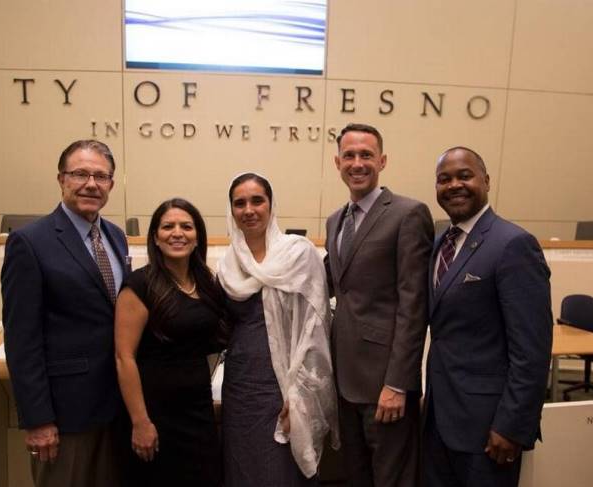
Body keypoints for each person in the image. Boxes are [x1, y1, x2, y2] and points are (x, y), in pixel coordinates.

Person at [1, 139, 130, 487]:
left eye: (101, 176)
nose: (91, 183)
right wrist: (38, 419)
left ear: (111, 185)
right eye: (80, 174)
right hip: (63, 416)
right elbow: (21, 340)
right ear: (61, 179)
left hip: (115, 409)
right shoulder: (29, 242)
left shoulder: (116, 237)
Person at [424, 146, 552, 487]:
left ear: (486, 181)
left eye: (464, 176)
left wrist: (512, 425)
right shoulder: (440, 243)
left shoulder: (513, 244)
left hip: (488, 427)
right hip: (439, 419)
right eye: (444, 179)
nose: (454, 185)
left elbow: (532, 350)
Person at [325, 123, 433, 487]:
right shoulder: (335, 220)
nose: (358, 163)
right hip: (345, 379)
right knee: (356, 475)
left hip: (385, 383)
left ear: (382, 161)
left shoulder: (408, 214)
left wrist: (399, 384)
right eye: (350, 155)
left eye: (366, 155)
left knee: (392, 478)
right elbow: (333, 282)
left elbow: (412, 305)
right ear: (337, 162)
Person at [218, 172, 339, 486]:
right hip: (240, 388)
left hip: (284, 386)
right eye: (239, 203)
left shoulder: (298, 254)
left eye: (257, 200)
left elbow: (315, 330)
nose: (249, 209)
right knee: (242, 468)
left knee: (281, 472)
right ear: (231, 211)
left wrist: (300, 396)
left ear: (271, 206)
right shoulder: (227, 265)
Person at [114, 198, 224, 486]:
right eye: (168, 226)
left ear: (197, 235)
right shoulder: (140, 285)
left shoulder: (206, 283)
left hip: (199, 411)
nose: (178, 233)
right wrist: (140, 422)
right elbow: (123, 357)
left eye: (186, 226)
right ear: (155, 237)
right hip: (155, 415)